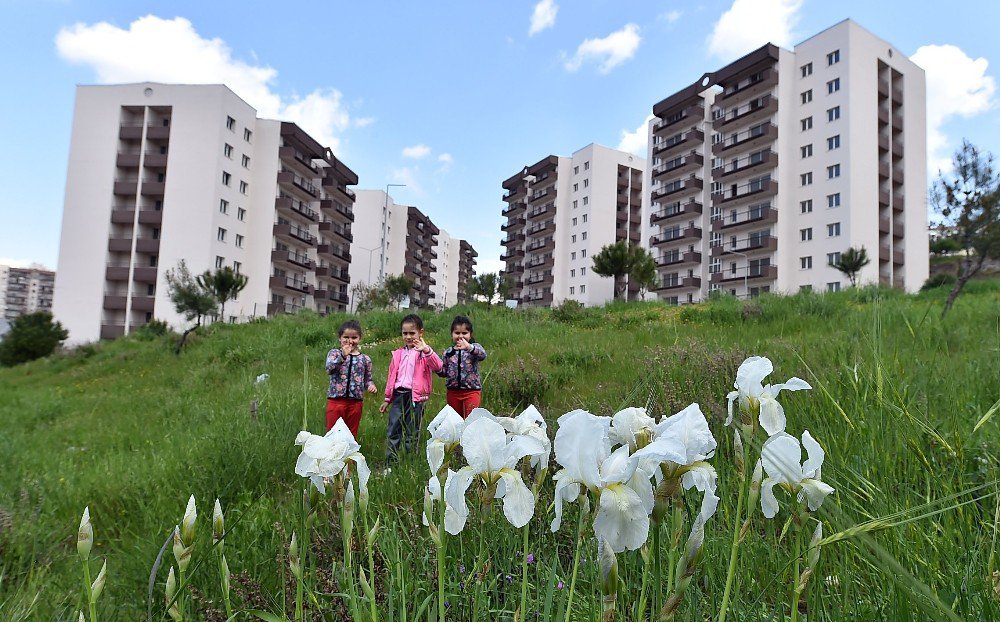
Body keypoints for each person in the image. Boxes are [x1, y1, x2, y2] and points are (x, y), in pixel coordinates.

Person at [380, 314, 442, 464]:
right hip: (398, 396)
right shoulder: (398, 354)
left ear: (421, 333)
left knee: (412, 431)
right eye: (405, 333)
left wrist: (426, 350)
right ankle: (391, 463)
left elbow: (439, 366)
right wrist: (387, 398)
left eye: (412, 333)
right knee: (394, 429)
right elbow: (391, 377)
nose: (408, 336)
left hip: (416, 398)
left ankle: (409, 462)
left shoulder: (424, 353)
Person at [325, 319, 377, 438]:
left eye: (354, 337)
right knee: (333, 433)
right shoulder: (334, 354)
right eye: (346, 337)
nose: (350, 341)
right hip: (336, 401)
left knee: (350, 435)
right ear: (340, 338)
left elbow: (367, 379)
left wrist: (370, 385)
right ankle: (331, 456)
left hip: (355, 402)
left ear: (359, 338)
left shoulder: (365, 359)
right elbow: (329, 368)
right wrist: (343, 355)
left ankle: (348, 456)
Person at [437, 315, 487, 418]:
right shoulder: (448, 352)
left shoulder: (474, 348)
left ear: (470, 334)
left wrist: (469, 347)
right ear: (452, 334)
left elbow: (483, 355)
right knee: (456, 421)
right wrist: (436, 367)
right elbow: (444, 372)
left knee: (470, 420)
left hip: (471, 392)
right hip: (453, 392)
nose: (461, 336)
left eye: (464, 333)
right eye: (457, 333)